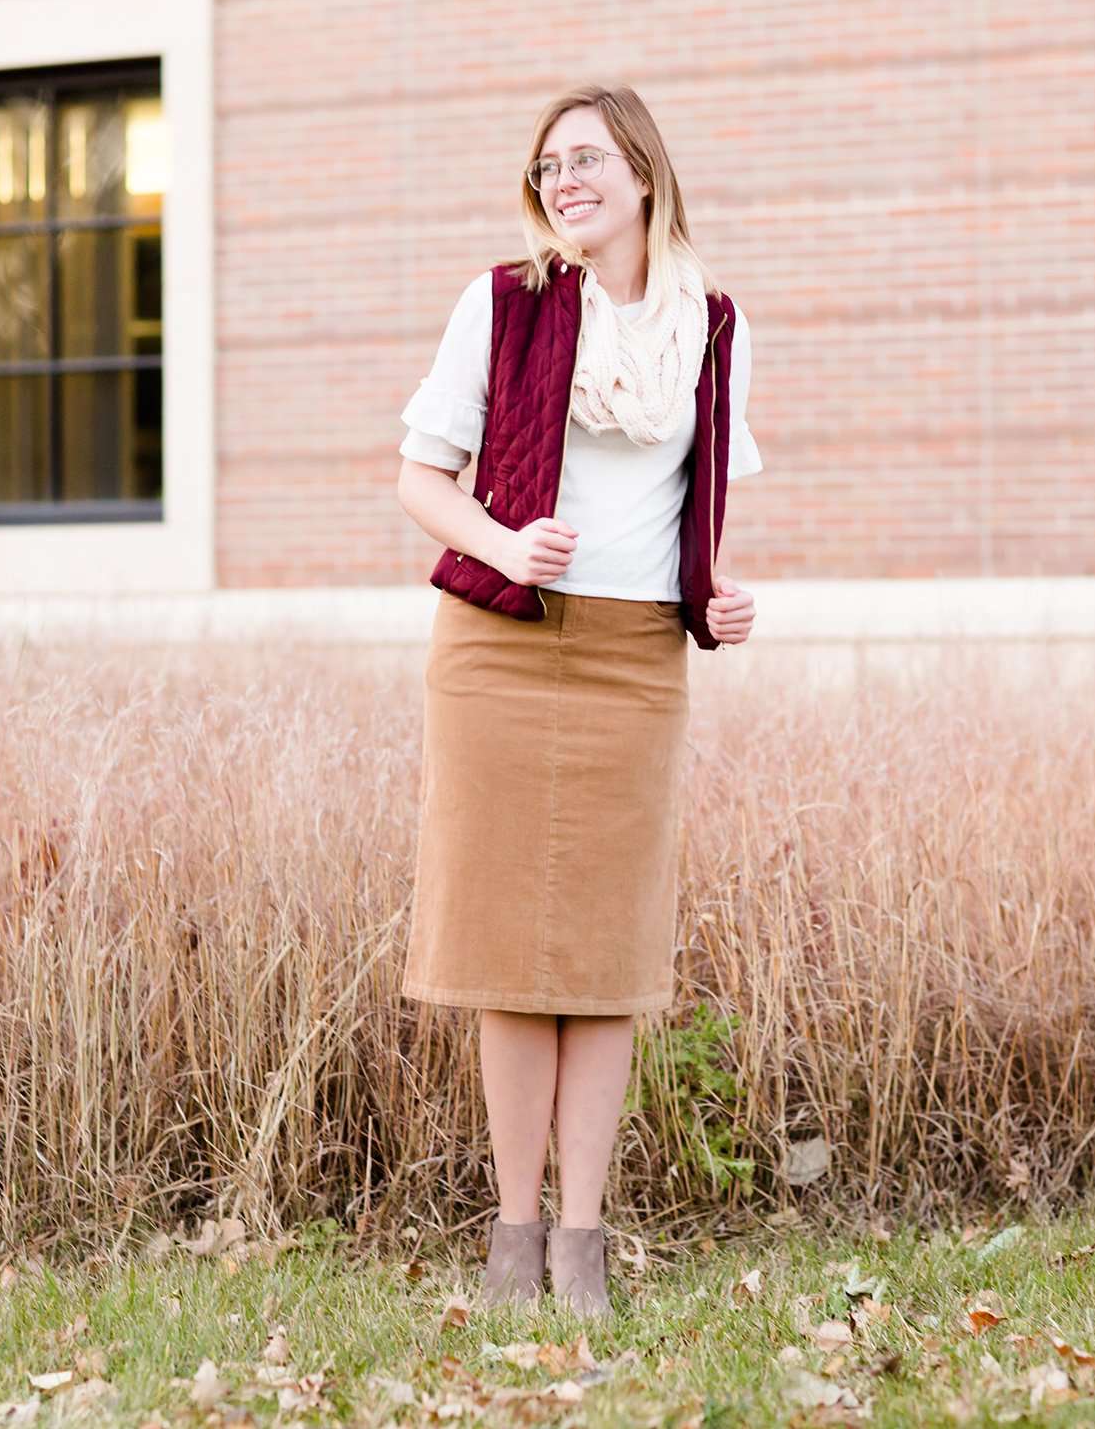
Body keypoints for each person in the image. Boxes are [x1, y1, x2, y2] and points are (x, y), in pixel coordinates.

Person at [395, 83, 762, 1318]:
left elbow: (699, 506)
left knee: (606, 957)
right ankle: (512, 1232)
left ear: (645, 174)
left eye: (589, 158)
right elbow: (419, 478)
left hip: (632, 661)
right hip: (500, 648)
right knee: (510, 947)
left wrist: (722, 594)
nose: (567, 179)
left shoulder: (712, 324)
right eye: (550, 164)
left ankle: (583, 1238)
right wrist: (504, 545)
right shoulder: (504, 301)